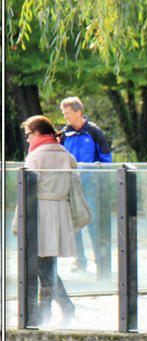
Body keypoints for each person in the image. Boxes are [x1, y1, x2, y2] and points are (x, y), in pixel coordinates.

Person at [19, 116, 78, 325]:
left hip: (40, 212)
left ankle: (53, 309)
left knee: (39, 264)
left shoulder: (36, 156)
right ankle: (45, 311)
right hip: (59, 211)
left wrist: (19, 221)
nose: (27, 140)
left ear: (36, 133)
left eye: (28, 135)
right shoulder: (65, 153)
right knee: (47, 263)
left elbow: (27, 190)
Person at [59, 96, 112, 273]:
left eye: (67, 113)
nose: (65, 117)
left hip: (90, 185)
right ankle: (80, 261)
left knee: (93, 221)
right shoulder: (64, 134)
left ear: (78, 112)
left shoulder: (95, 132)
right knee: (74, 223)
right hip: (70, 185)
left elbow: (106, 159)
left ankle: (101, 260)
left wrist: (97, 177)